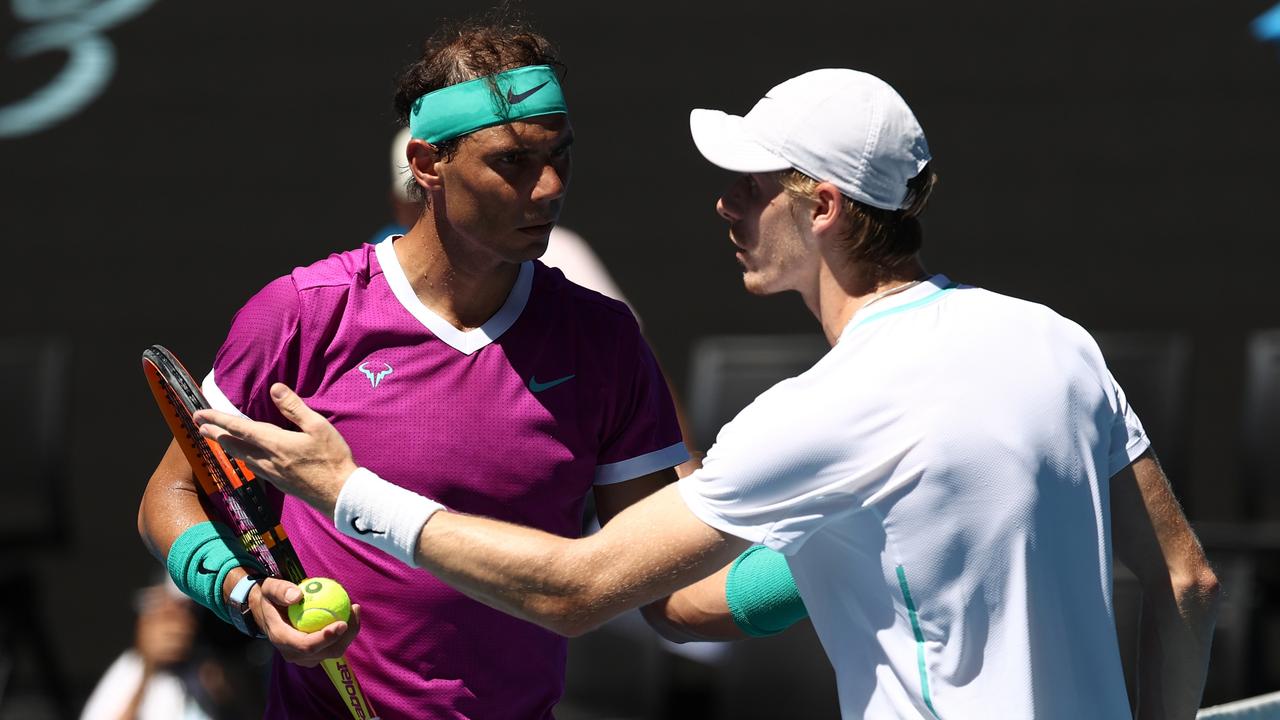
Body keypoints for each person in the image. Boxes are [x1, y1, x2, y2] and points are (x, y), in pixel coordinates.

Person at [194, 67, 1223, 719]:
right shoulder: (1052, 342)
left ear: (819, 206)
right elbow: (1185, 584)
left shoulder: (818, 413)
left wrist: (347, 491)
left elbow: (576, 590)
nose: (723, 202)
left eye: (749, 182)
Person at [137, 16, 786, 719]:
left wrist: (817, 567)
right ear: (427, 165)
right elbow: (170, 496)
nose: (547, 188)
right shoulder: (300, 314)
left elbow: (671, 596)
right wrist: (243, 594)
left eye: (560, 155)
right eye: (511, 162)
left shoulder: (603, 340)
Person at [80, 576, 260, 720]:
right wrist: (149, 666)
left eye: (191, 610)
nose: (182, 621)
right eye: (173, 610)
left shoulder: (213, 664)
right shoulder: (132, 667)